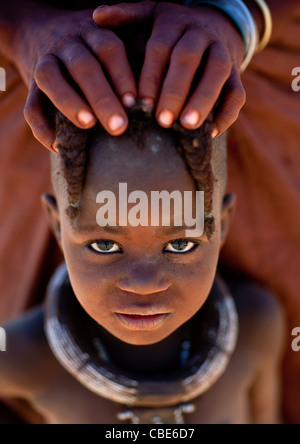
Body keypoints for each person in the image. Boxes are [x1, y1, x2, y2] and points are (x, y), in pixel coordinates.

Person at [0, 0, 299, 423]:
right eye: (104, 243)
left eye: (180, 242)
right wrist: (17, 25)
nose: (143, 284)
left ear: (225, 225)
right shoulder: (19, 358)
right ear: (55, 225)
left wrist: (242, 15)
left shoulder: (259, 328)